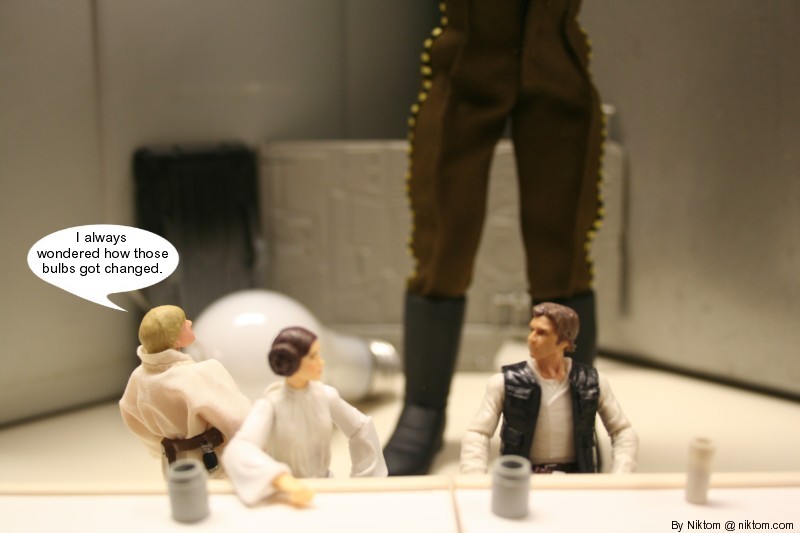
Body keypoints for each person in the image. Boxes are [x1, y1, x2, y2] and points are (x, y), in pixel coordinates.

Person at [384, 0, 605, 475]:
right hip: (466, 59)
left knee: (564, 243)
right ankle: (423, 407)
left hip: (555, 57)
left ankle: (572, 411)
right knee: (441, 240)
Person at [460, 302, 638, 474]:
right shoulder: (505, 382)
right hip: (523, 476)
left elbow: (623, 432)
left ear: (564, 341)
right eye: (532, 330)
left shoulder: (592, 382)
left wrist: (621, 474)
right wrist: (474, 477)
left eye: (542, 333)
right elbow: (478, 434)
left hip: (577, 478)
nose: (531, 338)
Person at [222, 326, 388, 507]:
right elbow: (240, 449)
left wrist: (366, 480)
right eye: (313, 356)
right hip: (289, 495)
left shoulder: (326, 396)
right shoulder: (270, 404)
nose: (321, 362)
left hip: (326, 488)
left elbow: (361, 427)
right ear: (293, 361)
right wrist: (281, 479)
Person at [119, 305, 251, 477]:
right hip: (216, 462)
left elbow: (134, 418)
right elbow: (238, 420)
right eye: (182, 323)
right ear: (174, 339)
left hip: (174, 463)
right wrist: (253, 452)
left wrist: (161, 449)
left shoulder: (139, 377)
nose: (189, 322)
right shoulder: (203, 372)